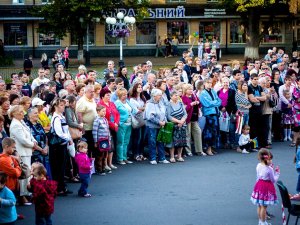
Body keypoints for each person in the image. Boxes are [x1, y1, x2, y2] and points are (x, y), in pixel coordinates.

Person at [9, 105, 38, 204]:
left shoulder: (21, 122)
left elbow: (29, 134)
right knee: (23, 175)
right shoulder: (15, 124)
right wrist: (33, 145)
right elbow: (22, 140)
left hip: (27, 151)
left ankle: (25, 193)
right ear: (14, 114)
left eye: (22, 111)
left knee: (27, 174)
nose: (23, 113)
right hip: (22, 152)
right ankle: (22, 196)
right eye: (20, 112)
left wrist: (34, 142)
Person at [49, 98, 72, 196]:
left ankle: (62, 187)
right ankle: (58, 189)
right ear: (56, 106)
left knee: (62, 167)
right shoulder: (56, 118)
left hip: (62, 145)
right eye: (61, 105)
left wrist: (69, 139)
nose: (63, 107)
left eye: (63, 105)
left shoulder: (61, 116)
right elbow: (59, 133)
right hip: (57, 147)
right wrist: (68, 138)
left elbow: (66, 131)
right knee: (57, 168)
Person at [250, 149, 280, 225]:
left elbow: (258, 176)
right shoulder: (269, 169)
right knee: (264, 207)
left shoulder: (258, 165)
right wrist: (277, 173)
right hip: (266, 187)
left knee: (259, 205)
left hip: (259, 185)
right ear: (268, 158)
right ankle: (263, 222)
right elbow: (273, 180)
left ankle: (260, 221)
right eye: (270, 158)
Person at [144, 88, 170, 164]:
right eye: (159, 95)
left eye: (161, 95)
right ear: (154, 96)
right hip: (152, 126)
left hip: (161, 125)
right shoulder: (149, 103)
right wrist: (159, 122)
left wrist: (164, 121)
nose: (161, 96)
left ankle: (162, 158)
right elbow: (150, 116)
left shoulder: (161, 102)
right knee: (152, 142)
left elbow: (164, 113)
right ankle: (153, 158)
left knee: (161, 141)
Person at [182, 84, 205, 156]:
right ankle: (188, 151)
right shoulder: (183, 98)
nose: (191, 90)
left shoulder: (194, 96)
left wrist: (198, 103)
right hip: (188, 118)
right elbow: (184, 109)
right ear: (185, 90)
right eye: (189, 89)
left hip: (195, 118)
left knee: (198, 132)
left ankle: (199, 150)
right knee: (187, 134)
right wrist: (190, 104)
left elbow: (200, 105)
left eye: (191, 89)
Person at [200, 78, 221, 156]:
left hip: (216, 113)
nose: (210, 84)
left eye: (211, 83)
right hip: (209, 114)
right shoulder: (202, 93)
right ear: (204, 83)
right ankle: (208, 149)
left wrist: (214, 102)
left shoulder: (213, 91)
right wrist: (215, 102)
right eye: (208, 83)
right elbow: (207, 104)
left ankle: (212, 147)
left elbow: (219, 101)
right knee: (209, 132)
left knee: (215, 131)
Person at [114, 88, 135, 165]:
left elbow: (133, 110)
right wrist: (118, 123)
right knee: (120, 142)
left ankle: (125, 158)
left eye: (126, 94)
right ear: (119, 95)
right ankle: (120, 159)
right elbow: (114, 115)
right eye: (123, 95)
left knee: (126, 142)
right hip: (121, 124)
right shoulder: (116, 103)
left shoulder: (128, 102)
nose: (125, 96)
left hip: (129, 124)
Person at [166, 91, 187, 162]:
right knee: (172, 141)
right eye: (175, 95)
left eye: (177, 95)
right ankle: (172, 157)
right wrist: (178, 121)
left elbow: (185, 114)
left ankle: (179, 156)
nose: (177, 96)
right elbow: (168, 116)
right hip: (173, 125)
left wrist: (182, 121)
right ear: (171, 96)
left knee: (181, 141)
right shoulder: (168, 104)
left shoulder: (180, 103)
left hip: (182, 125)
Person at [93, 105, 111, 175]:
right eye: (103, 111)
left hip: (106, 140)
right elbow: (94, 131)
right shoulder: (97, 120)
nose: (104, 112)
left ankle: (104, 167)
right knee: (99, 155)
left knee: (105, 155)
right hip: (100, 141)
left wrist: (109, 139)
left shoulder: (105, 119)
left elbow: (107, 130)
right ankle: (99, 169)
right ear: (98, 112)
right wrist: (95, 141)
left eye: (105, 111)